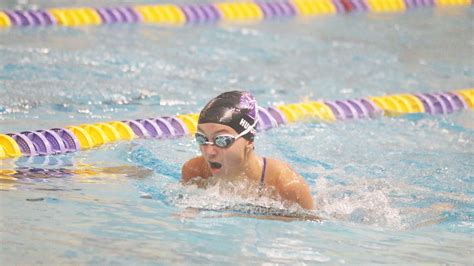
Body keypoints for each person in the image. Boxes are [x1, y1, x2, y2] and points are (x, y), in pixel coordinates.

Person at [181, 90, 314, 210]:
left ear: (249, 140)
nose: (209, 152)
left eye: (222, 140)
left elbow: (310, 227)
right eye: (202, 139)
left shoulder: (286, 185)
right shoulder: (195, 172)